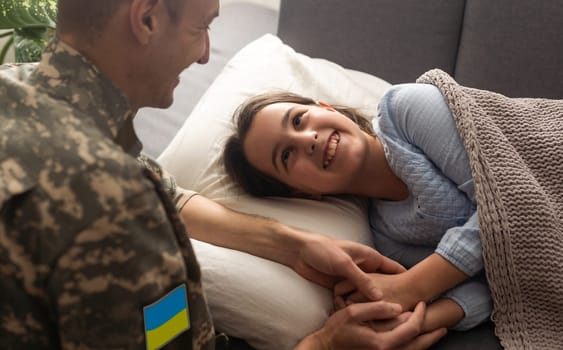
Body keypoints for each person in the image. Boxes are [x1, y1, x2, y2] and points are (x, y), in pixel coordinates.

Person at [0, 0, 447, 349]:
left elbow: (168, 194)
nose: (205, 54)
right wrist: (326, 344)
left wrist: (294, 245)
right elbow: (162, 331)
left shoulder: (18, 91)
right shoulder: (114, 207)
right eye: (201, 28)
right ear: (147, 18)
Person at [222, 86, 494, 333]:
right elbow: (497, 281)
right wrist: (415, 320)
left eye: (298, 120)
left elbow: (504, 198)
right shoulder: (387, 240)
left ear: (325, 106)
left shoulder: (406, 109)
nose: (308, 139)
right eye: (286, 155)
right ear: (302, 192)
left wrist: (411, 287)